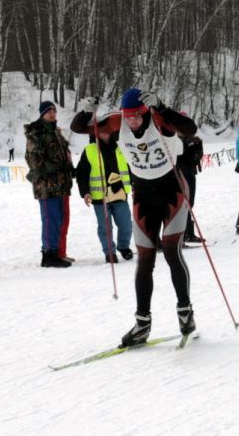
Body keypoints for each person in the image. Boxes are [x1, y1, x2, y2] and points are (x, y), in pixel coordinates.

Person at [72, 88, 198, 347]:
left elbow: (190, 128)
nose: (132, 121)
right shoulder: (118, 122)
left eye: (137, 117)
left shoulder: (158, 118)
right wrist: (86, 110)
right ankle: (142, 324)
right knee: (145, 259)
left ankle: (185, 313)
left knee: (172, 251)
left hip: (172, 191)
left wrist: (162, 106)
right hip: (143, 196)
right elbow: (78, 127)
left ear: (145, 112)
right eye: (128, 117)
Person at [24, 100, 74, 268]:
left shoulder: (57, 133)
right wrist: (58, 167)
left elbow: (63, 155)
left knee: (60, 219)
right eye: (48, 111)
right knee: (50, 219)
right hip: (46, 185)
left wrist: (69, 168)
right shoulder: (36, 133)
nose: (52, 114)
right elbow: (34, 160)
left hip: (61, 184)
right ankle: (48, 255)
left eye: (54, 111)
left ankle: (57, 252)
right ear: (42, 114)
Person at [75, 130, 133, 262]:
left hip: (120, 194)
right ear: (96, 133)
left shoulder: (121, 147)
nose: (105, 133)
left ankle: (123, 247)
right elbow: (81, 173)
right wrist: (85, 192)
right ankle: (109, 253)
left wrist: (136, 184)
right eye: (101, 131)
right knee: (106, 228)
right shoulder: (90, 150)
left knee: (126, 226)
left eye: (106, 130)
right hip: (100, 197)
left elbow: (131, 168)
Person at [177, 130, 204, 243]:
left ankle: (188, 233)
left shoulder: (194, 140)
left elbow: (196, 157)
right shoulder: (176, 140)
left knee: (189, 203)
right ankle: (185, 233)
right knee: (185, 203)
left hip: (189, 173)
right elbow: (183, 157)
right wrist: (189, 146)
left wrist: (198, 146)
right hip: (182, 174)